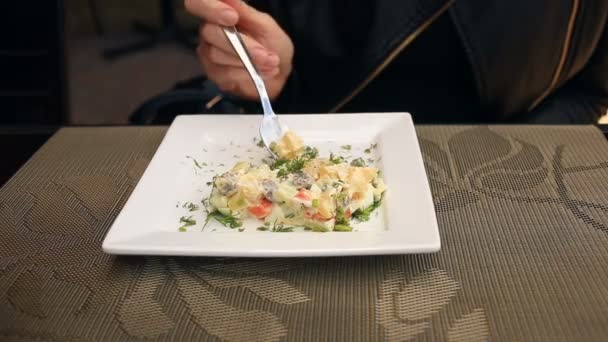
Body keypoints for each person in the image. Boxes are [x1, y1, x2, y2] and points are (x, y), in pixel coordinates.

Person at [184, 0, 608, 123]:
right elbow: (251, 45)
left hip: (493, 201)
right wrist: (267, 74)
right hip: (308, 146)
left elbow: (590, 93)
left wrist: (509, 163)